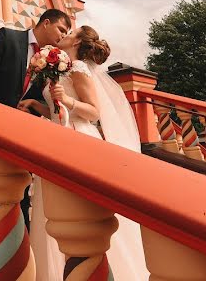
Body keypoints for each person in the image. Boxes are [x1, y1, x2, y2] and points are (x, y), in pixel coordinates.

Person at [20, 25, 149, 280]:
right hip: (57, 137)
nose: (64, 35)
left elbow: (93, 112)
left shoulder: (77, 68)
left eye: (70, 32)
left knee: (78, 210)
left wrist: (66, 100)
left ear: (77, 42)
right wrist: (37, 104)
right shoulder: (62, 69)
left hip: (78, 138)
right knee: (56, 210)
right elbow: (60, 114)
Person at [0, 8, 72, 228]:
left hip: (25, 131)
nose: (62, 37)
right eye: (61, 30)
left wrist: (32, 111)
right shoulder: (8, 37)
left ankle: (21, 247)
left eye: (66, 34)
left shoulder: (53, 60)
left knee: (22, 189)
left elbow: (40, 96)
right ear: (46, 23)